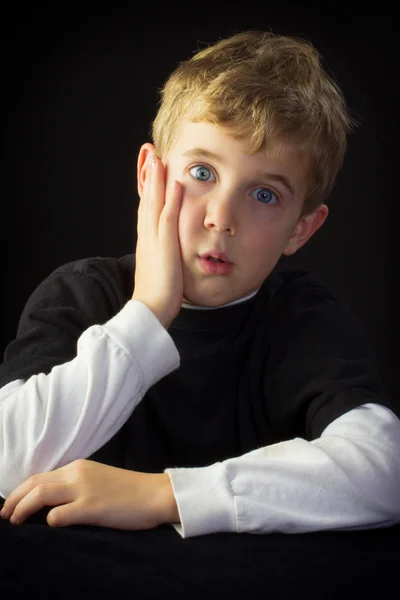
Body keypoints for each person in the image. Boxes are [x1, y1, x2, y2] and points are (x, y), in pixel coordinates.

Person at [0, 30, 399, 538]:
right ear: (150, 176)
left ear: (301, 227)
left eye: (264, 195)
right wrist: (147, 312)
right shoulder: (82, 293)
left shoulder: (301, 320)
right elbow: (8, 462)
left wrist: (163, 495)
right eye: (203, 172)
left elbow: (385, 471)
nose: (222, 218)